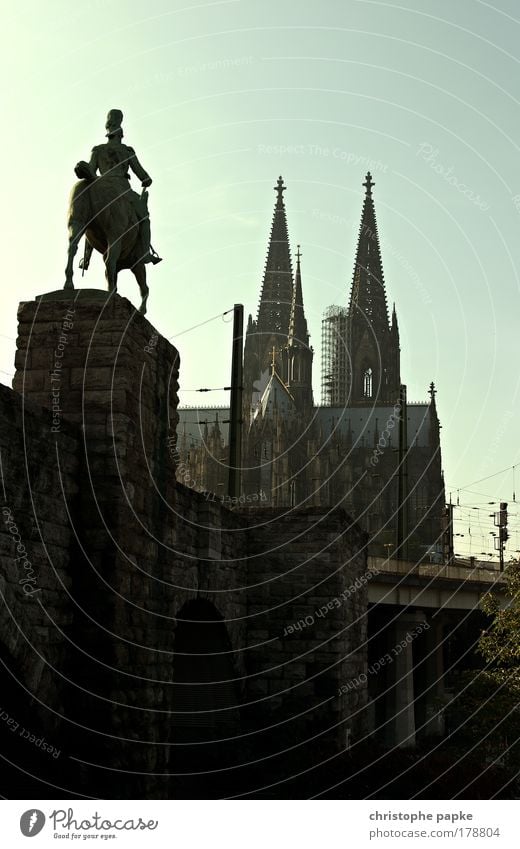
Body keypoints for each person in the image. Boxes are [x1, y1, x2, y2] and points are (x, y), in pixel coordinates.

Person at [75, 109, 162, 266]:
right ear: (121, 132)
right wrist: (146, 180)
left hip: (102, 186)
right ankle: (145, 254)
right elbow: (142, 174)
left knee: (91, 216)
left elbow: (91, 170)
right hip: (123, 190)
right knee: (144, 218)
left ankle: (86, 259)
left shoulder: (98, 150)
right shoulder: (127, 151)